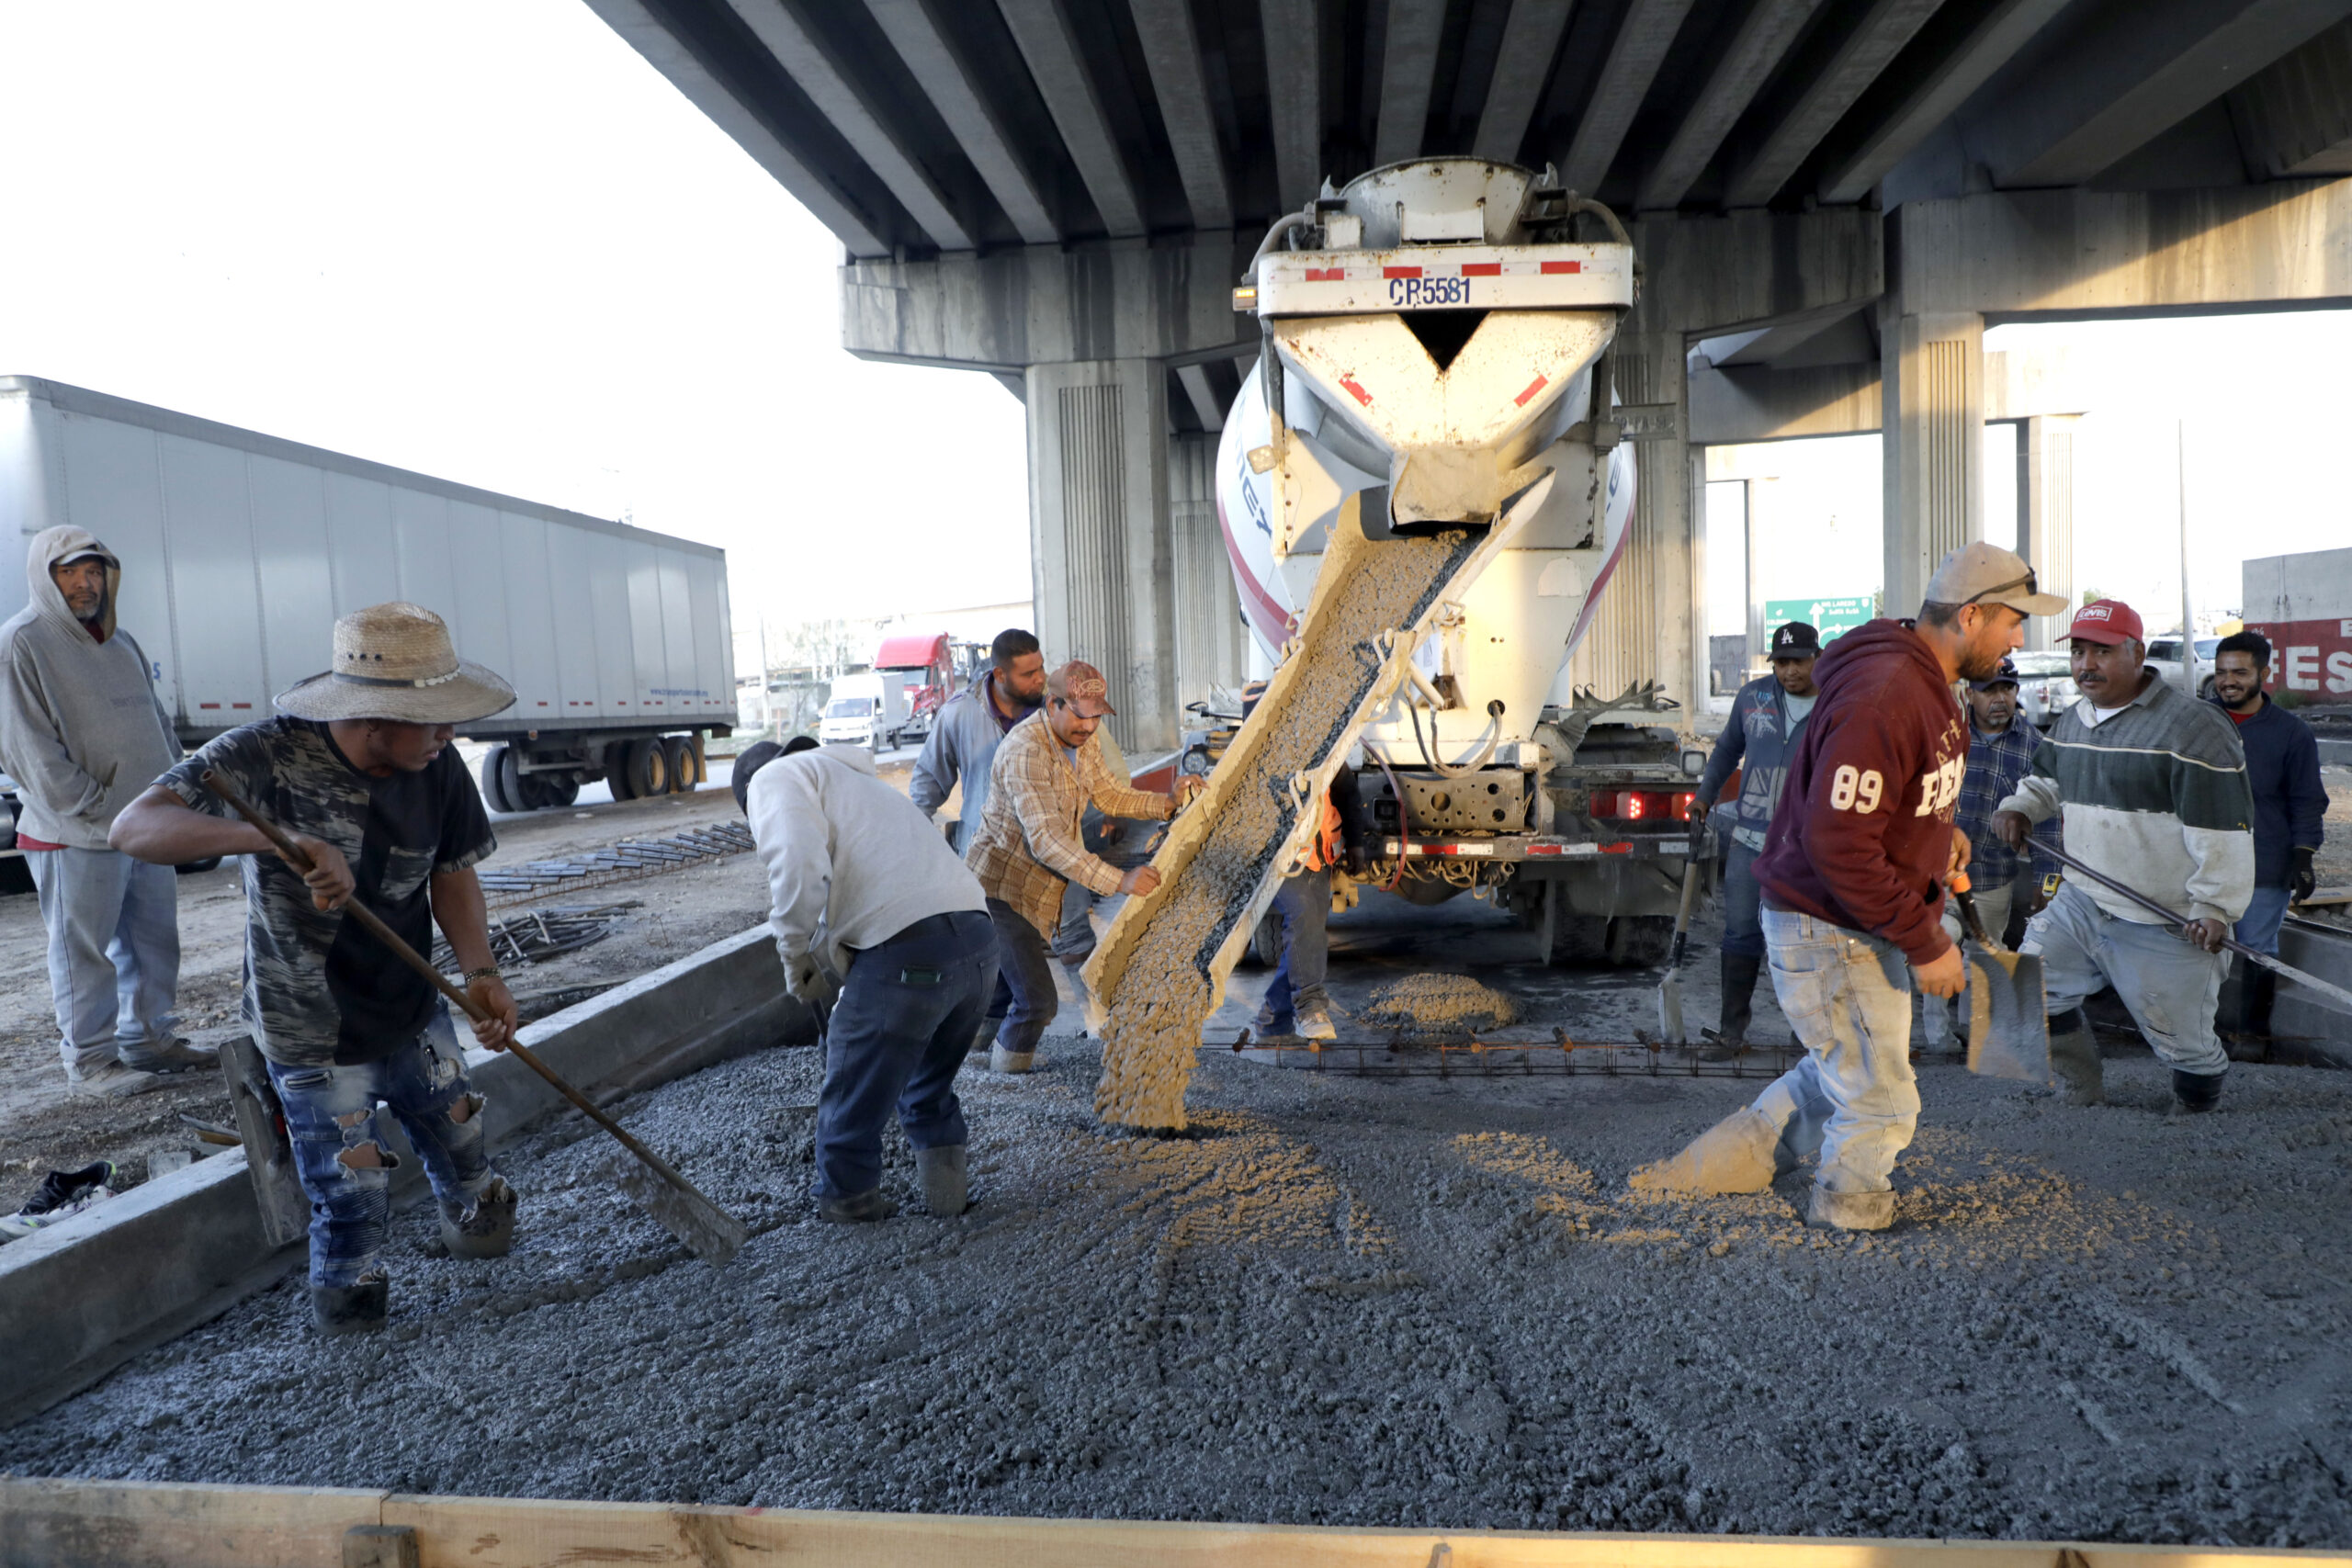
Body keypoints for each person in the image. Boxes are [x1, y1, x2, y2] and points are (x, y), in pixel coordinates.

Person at [109, 603, 524, 1335]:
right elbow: (133, 826)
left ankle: (482, 1244)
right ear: (373, 718)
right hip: (312, 1032)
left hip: (414, 1009)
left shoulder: (438, 767)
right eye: (433, 721)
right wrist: (271, 840)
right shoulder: (265, 757)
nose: (449, 734)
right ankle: (355, 1336)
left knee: (465, 1148)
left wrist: (481, 970)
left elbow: (452, 874)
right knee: (353, 1198)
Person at [1630, 542, 2063, 1232]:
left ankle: (1707, 1171)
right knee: (1884, 1099)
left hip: (1850, 919)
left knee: (1841, 1070)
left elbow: (1883, 802)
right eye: (2014, 621)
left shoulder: (1925, 679)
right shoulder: (1886, 693)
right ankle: (1848, 1216)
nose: (2019, 638)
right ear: (1971, 615)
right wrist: (1926, 943)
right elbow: (1839, 842)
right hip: (1830, 924)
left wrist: (1932, 833)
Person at [1992, 600, 2255, 1112]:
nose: (2087, 664)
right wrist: (2021, 807)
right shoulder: (2074, 718)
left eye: (2103, 652)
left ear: (2137, 652)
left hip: (2164, 915)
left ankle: (2197, 1118)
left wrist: (2215, 906)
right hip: (2082, 899)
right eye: (2080, 652)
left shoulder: (2193, 728)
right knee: (2027, 994)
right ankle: (2079, 1090)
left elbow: (2221, 827)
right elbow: (2048, 780)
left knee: (2185, 1043)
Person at [747, 733, 996, 1223]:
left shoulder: (772, 778)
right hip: (980, 945)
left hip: (911, 950)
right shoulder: (860, 784)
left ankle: (848, 1202)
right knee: (926, 1085)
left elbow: (799, 866)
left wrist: (793, 953)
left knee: (851, 1080)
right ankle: (948, 1203)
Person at [0, 526, 206, 1096]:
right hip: (77, 832)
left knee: (153, 940)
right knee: (83, 951)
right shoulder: (21, 642)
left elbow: (156, 719)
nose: (84, 583)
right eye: (69, 572)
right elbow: (23, 745)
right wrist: (89, 805)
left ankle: (150, 1040)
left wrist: (175, 784)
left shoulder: (120, 642)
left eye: (93, 572)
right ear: (46, 577)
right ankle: (91, 1061)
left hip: (147, 824)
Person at [965, 660, 1202, 1073]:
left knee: (1003, 991)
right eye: (1079, 714)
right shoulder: (1026, 751)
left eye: (1096, 716)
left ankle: (970, 1062)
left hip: (1047, 881)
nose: (1089, 727)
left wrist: (1166, 801)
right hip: (1003, 888)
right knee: (1038, 1001)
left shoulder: (1080, 739)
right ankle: (1008, 1078)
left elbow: (1109, 795)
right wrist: (1119, 879)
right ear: (1053, 704)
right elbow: (1048, 842)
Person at [1690, 621, 1821, 1061]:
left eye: (1798, 661)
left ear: (1816, 658)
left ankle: (1805, 1037)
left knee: (1802, 944)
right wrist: (1704, 798)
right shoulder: (1753, 699)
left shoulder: (1834, 705)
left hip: (1805, 850)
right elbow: (1727, 750)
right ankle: (1732, 1034)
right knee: (1740, 935)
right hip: (1749, 841)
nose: (1789, 671)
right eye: (1781, 662)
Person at [1923, 657, 2062, 1048]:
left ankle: (1978, 1037)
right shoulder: (1944, 736)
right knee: (1939, 943)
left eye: (2007, 689)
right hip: (1936, 872)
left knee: (1986, 954)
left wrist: (2046, 881)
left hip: (1993, 875)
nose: (1999, 698)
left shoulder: (2034, 745)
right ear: (1969, 694)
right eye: (1989, 690)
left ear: (2017, 692)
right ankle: (1937, 1038)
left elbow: (2049, 818)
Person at [2207, 630, 2325, 1051]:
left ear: (2264, 673)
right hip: (2200, 862)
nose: (2228, 681)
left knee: (2257, 949)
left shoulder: (2291, 733)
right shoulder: (2198, 723)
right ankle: (2194, 1035)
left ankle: (2253, 1036)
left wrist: (2303, 855)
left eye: (2240, 671)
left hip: (2265, 862)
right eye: (2221, 672)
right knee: (2195, 947)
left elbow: (2308, 799)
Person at [1251, 769, 1373, 1042]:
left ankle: (1273, 1020)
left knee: (1308, 936)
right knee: (1303, 917)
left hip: (1318, 856)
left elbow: (1346, 792)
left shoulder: (1325, 740)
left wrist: (1355, 843)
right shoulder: (1264, 745)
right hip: (1277, 854)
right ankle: (1310, 1005)